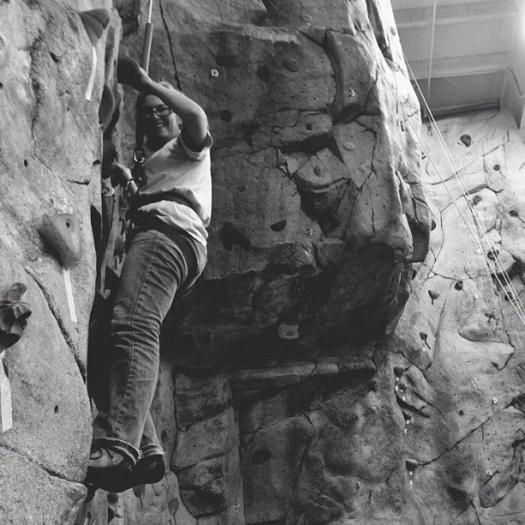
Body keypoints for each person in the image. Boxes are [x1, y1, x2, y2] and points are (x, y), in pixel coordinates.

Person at [87, 58, 212, 493]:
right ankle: (144, 445)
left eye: (163, 110)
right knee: (108, 336)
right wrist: (129, 182)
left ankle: (118, 444)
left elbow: (197, 117)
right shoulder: (162, 160)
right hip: (170, 237)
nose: (156, 115)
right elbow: (155, 194)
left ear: (174, 116)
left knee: (134, 326)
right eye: (147, 114)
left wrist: (145, 83)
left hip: (167, 235)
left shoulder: (189, 146)